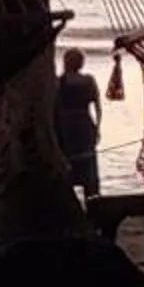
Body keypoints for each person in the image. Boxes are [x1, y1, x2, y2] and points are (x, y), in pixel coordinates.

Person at [53, 46, 103, 198]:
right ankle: (93, 200)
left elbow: (54, 107)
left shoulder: (59, 82)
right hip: (85, 124)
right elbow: (98, 107)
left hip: (66, 127)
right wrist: (97, 127)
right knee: (89, 169)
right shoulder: (88, 81)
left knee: (66, 167)